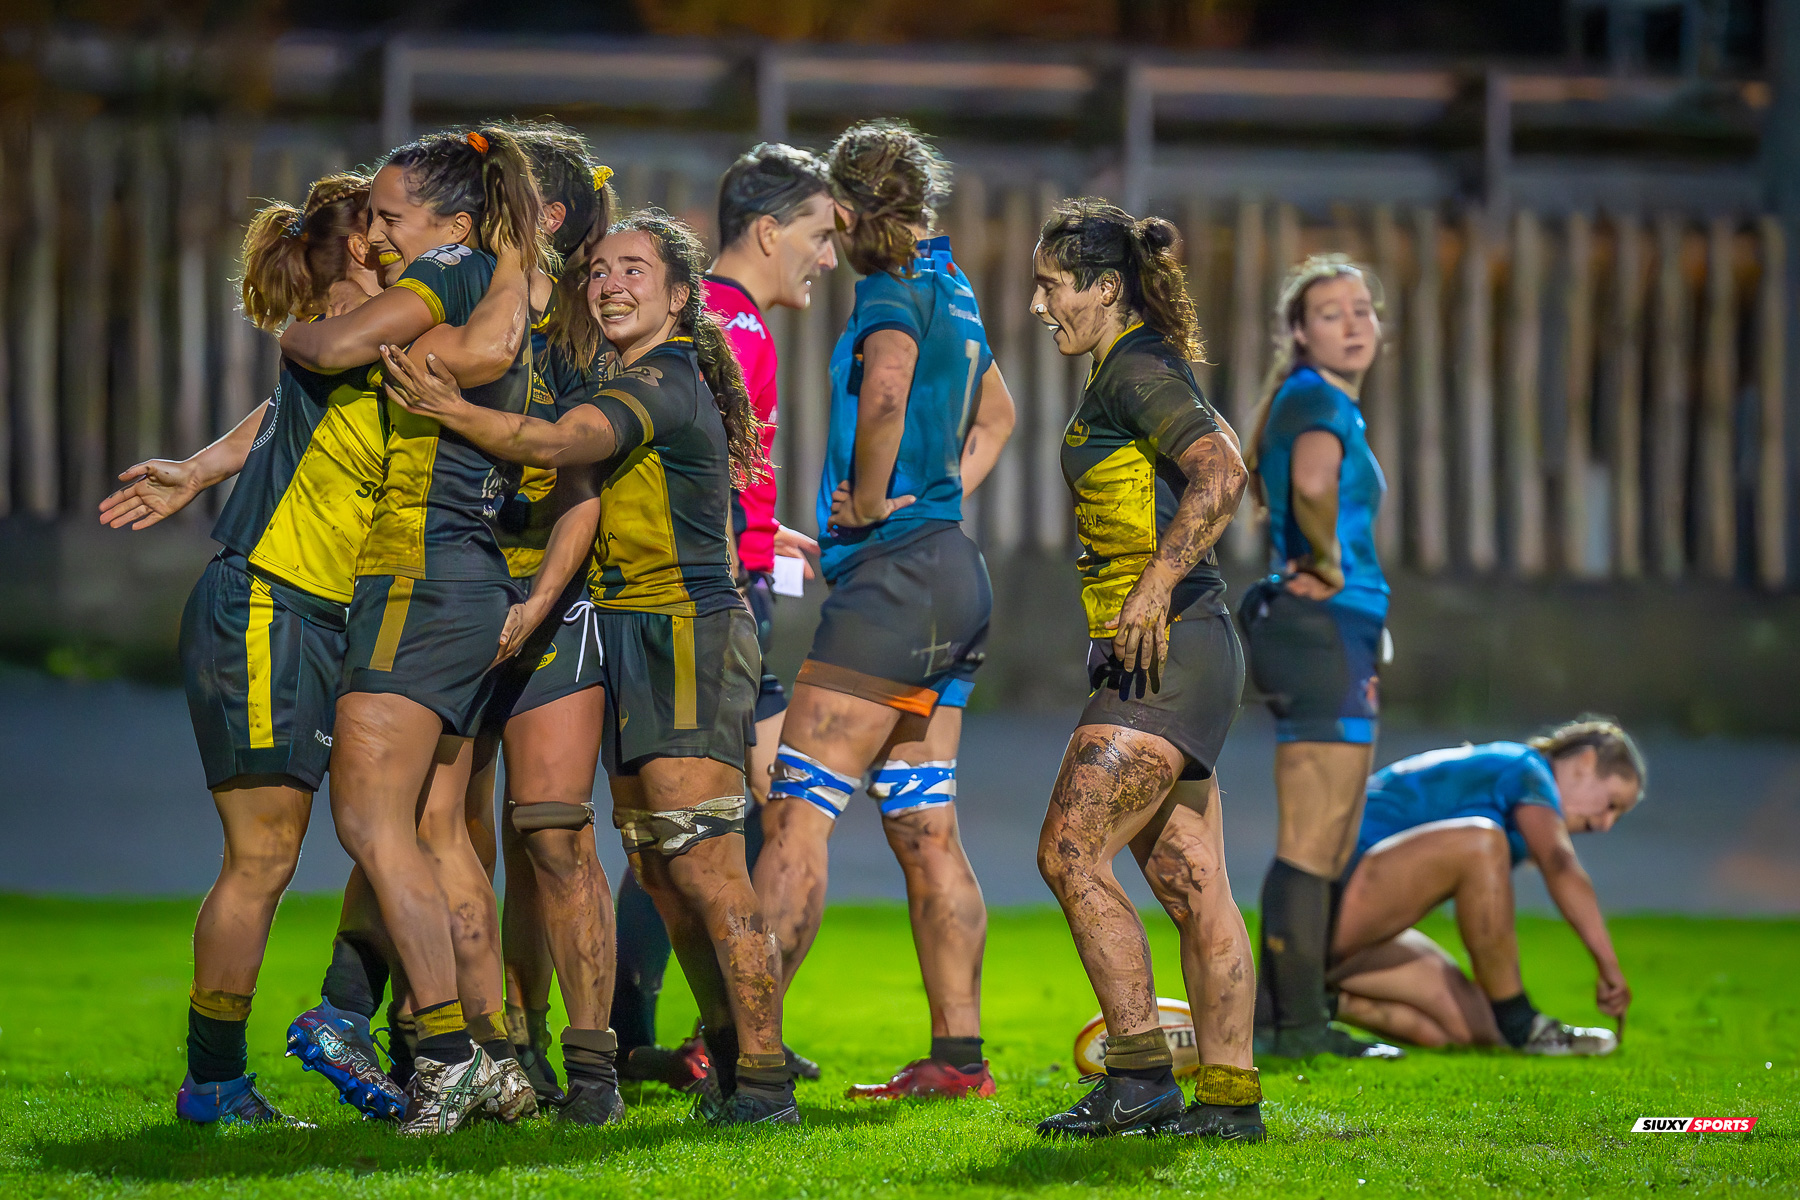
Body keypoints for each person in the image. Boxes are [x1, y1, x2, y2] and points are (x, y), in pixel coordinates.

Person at [379, 209, 797, 1126]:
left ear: (681, 296)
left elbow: (565, 446)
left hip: (685, 634)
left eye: (635, 271)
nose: (610, 284)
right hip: (634, 633)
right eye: (599, 270)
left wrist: (453, 410)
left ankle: (764, 1079)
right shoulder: (629, 372)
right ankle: (733, 1063)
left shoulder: (665, 375)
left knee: (709, 866)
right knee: (661, 869)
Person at [97, 173, 382, 1127]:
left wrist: (199, 467)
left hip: (316, 614)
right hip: (266, 607)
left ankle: (355, 1019)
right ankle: (213, 1082)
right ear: (358, 249)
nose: (400, 236)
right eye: (383, 224)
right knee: (263, 857)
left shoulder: (358, 342)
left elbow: (282, 412)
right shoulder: (352, 334)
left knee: (395, 820)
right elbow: (299, 391)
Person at [282, 125, 544, 1135]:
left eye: (389, 215)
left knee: (369, 823)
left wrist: (301, 332)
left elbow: (337, 347)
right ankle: (493, 1056)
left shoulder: (449, 265)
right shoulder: (493, 279)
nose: (374, 235)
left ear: (451, 221)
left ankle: (442, 1057)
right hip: (463, 577)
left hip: (417, 572)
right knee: (438, 832)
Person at [754, 120, 1016, 1102]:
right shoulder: (954, 285)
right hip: (953, 571)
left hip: (897, 581)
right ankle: (958, 1062)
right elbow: (1000, 418)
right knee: (923, 828)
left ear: (851, 212)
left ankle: (751, 1055)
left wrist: (867, 507)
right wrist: (939, 498)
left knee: (798, 816)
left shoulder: (889, 292)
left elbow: (889, 392)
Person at [1028, 198, 1263, 1141]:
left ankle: (1138, 1080)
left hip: (1168, 652)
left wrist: (1156, 583)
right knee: (1194, 884)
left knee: (1068, 849)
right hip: (1185, 650)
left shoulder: (1138, 370)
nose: (1041, 306)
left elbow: (1223, 471)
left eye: (1051, 286)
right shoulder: (1129, 369)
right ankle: (1229, 1104)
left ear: (1103, 286)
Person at [613, 141, 833, 1092]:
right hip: (711, 604)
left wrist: (758, 523)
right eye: (821, 235)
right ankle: (714, 1043)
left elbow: (700, 463)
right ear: (770, 229)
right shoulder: (730, 328)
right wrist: (740, 544)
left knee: (692, 827)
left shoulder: (731, 324)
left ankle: (685, 1036)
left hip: (730, 582)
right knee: (707, 830)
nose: (828, 257)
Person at [1239, 254, 1403, 1060]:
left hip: (1342, 626)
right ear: (1299, 333)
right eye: (1333, 312)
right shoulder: (1313, 398)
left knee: (1331, 834)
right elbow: (1310, 485)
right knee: (1313, 834)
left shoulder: (1327, 400)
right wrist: (1332, 565)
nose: (1354, 322)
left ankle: (1292, 1017)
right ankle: (1292, 1027)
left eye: (1363, 309)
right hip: (1319, 625)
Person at [1328, 720, 1641, 1054]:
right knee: (1483, 843)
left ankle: (1318, 1005)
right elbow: (1560, 865)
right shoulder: (1525, 767)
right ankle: (1524, 1024)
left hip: (1353, 930)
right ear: (1585, 763)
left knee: (1477, 1026)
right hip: (1326, 904)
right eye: (1612, 804)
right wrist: (1608, 967)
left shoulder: (1516, 808)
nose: (1606, 824)